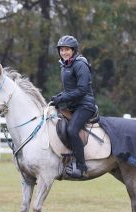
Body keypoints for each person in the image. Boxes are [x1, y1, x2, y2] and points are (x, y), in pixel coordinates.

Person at [51, 35, 97, 178]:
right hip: (73, 105)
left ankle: (81, 166)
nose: (64, 52)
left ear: (73, 50)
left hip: (85, 105)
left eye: (67, 50)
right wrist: (58, 98)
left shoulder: (80, 65)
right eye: (61, 50)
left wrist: (62, 98)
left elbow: (82, 90)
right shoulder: (65, 65)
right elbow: (69, 90)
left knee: (72, 130)